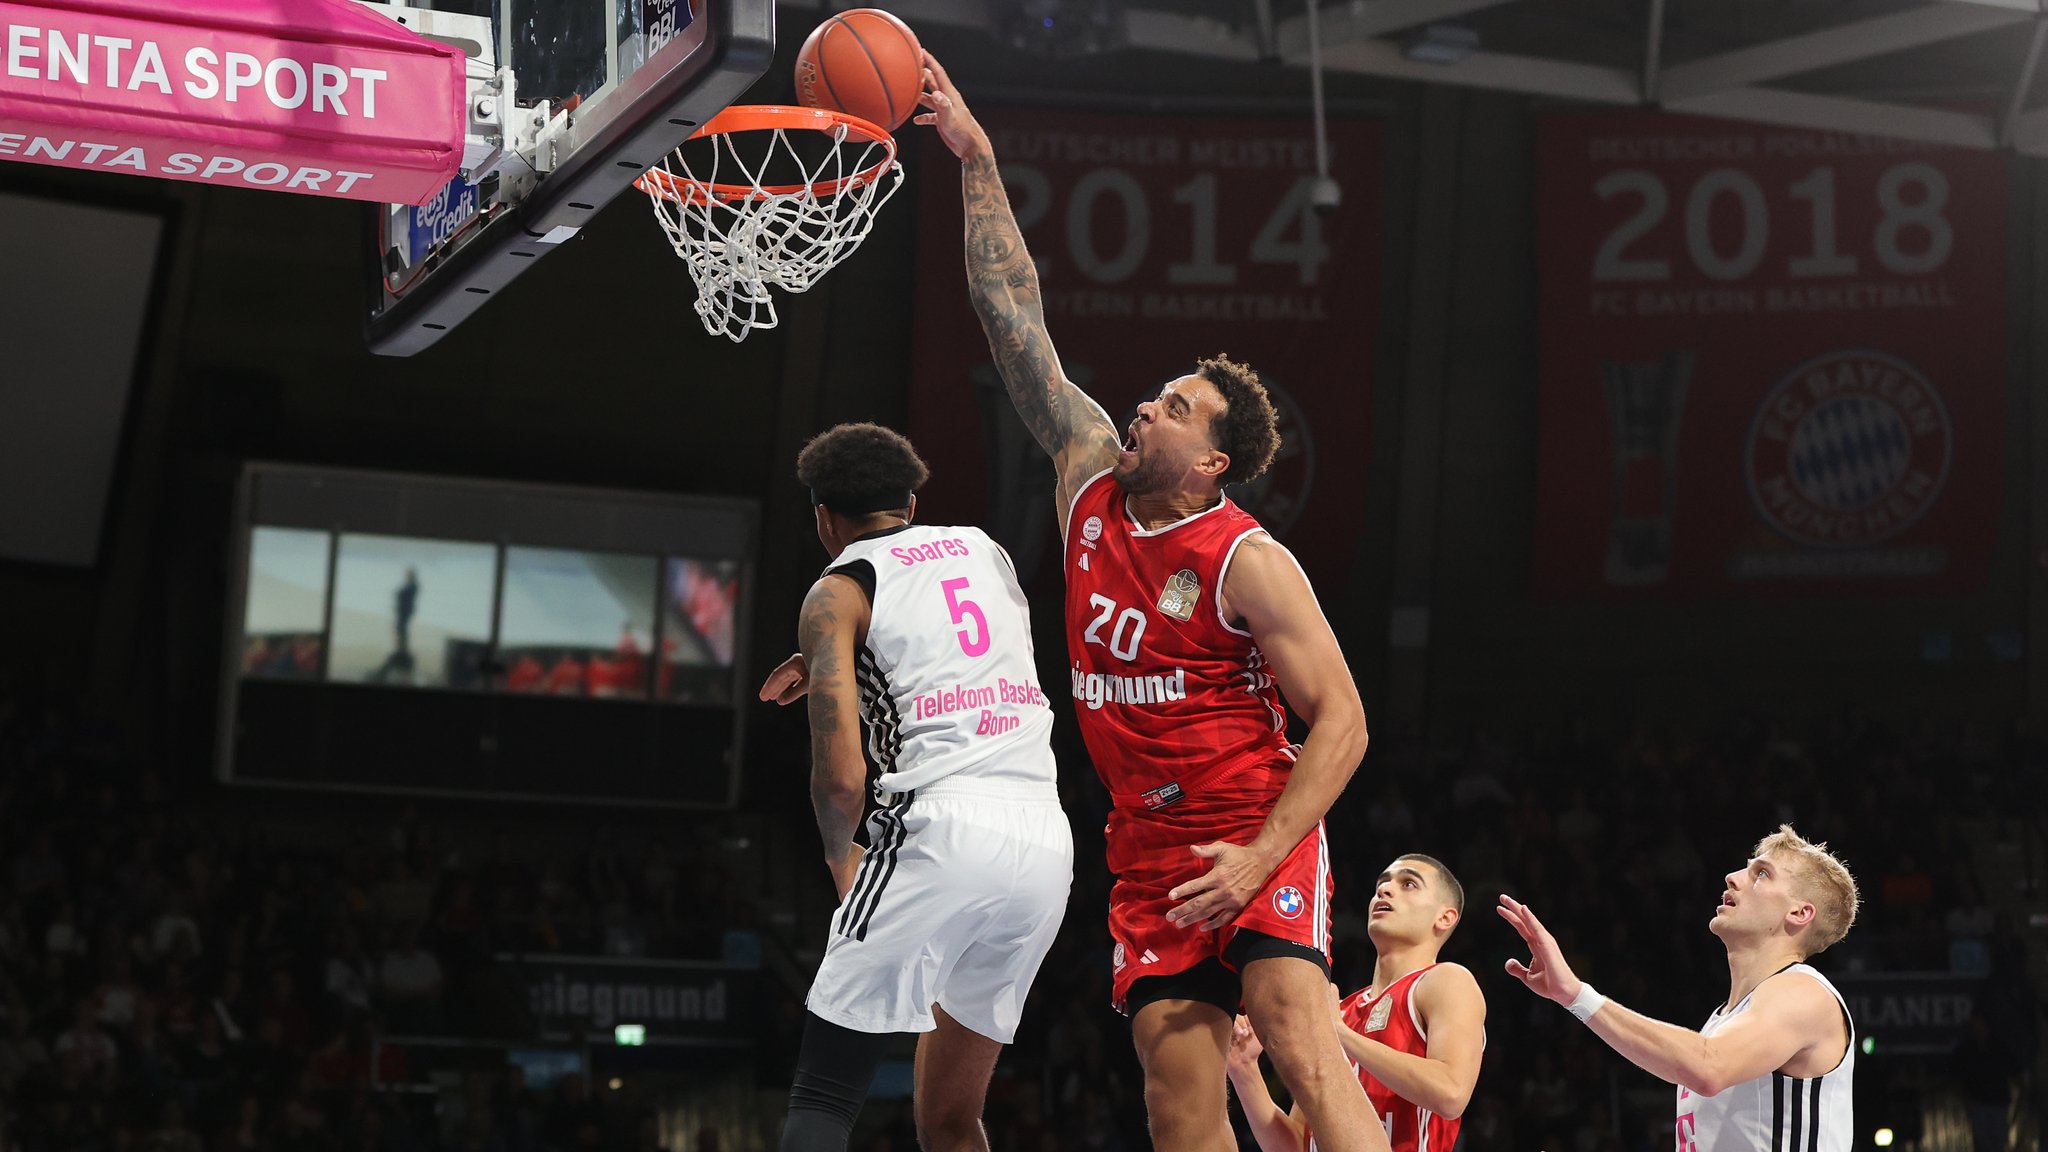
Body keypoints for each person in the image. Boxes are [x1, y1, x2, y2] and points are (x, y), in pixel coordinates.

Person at [918, 54, 1384, 1152]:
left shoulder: (1244, 559)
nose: (1143, 404)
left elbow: (1347, 722)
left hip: (1248, 825)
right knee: (1176, 1101)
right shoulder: (1087, 474)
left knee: (1294, 1038)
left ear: (1212, 461)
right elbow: (1012, 320)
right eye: (1155, 394)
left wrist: (1262, 853)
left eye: (1173, 408)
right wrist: (978, 160)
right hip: (1145, 848)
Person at [758, 423, 1073, 1152]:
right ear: (910, 499)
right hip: (1042, 843)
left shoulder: (836, 591)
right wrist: (831, 660)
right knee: (951, 1119)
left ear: (824, 519)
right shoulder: (983, 549)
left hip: (940, 833)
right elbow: (960, 650)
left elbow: (840, 779)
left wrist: (847, 867)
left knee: (823, 1097)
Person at [1498, 825, 1860, 1152]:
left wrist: (1578, 995)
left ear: (1799, 913)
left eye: (1761, 874)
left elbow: (1708, 1067)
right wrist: (1570, 996)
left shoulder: (1805, 993)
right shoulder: (1720, 1022)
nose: (1733, 877)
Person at [1228, 854, 1486, 1152]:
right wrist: (1244, 1069)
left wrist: (1341, 1035)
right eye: (1382, 884)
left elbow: (1450, 1093)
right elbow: (1298, 1144)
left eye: (1409, 884)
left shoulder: (1446, 981)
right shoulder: (1338, 1011)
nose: (1385, 890)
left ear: (1444, 917)